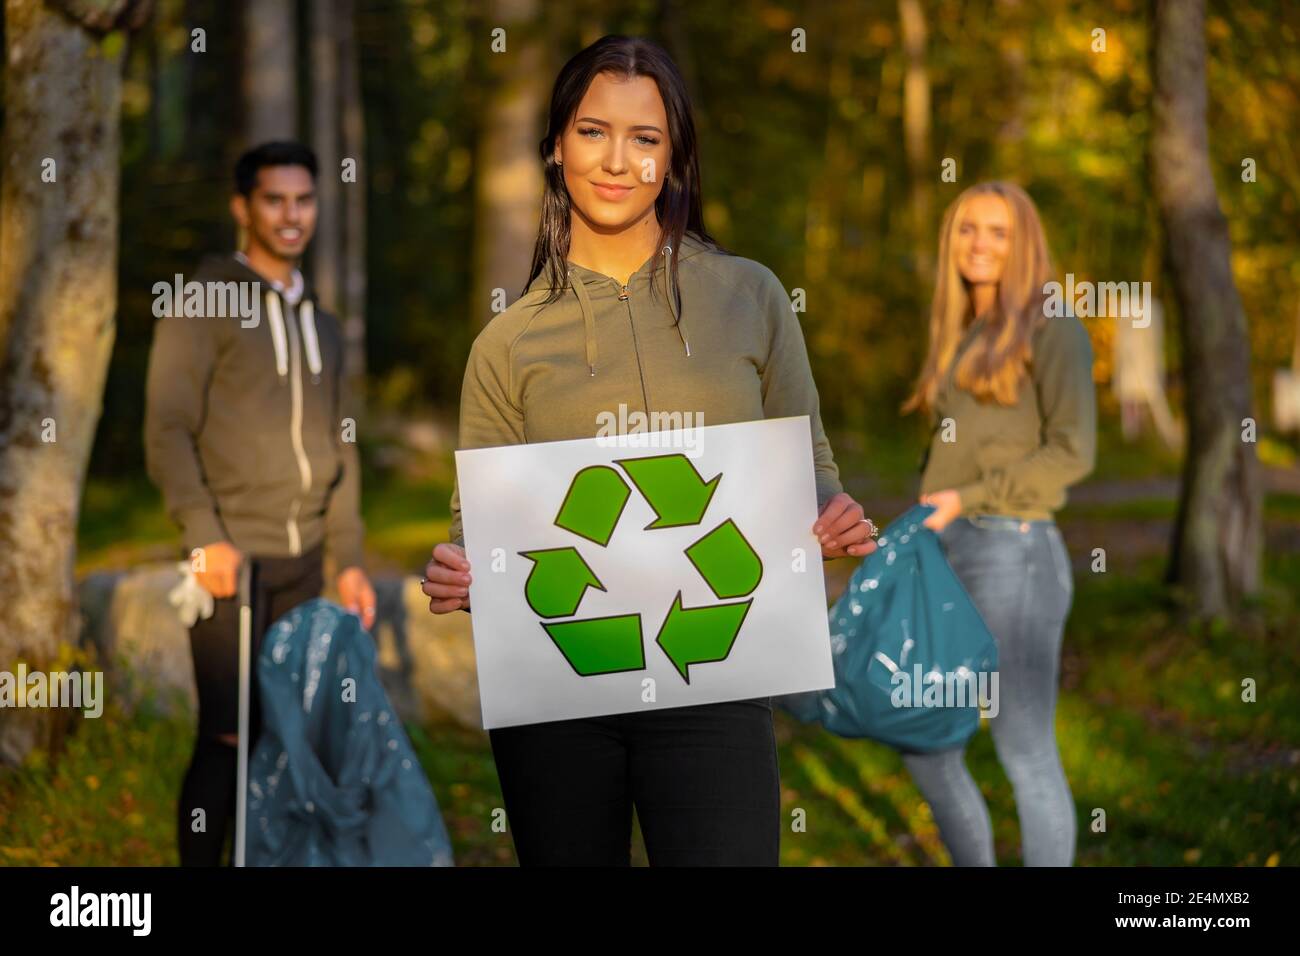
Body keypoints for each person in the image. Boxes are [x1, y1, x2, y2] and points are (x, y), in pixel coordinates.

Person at [421, 35, 876, 866]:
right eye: (593, 132)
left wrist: (833, 517)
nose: (616, 161)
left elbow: (809, 474)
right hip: (558, 688)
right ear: (557, 147)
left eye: (645, 138)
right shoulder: (507, 343)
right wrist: (456, 570)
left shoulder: (751, 298)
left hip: (717, 676)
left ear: (675, 157)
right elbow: (477, 536)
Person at [144, 141, 376, 866]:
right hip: (228, 561)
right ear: (243, 207)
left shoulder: (325, 325)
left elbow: (342, 449)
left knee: (293, 737)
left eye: (304, 200)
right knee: (231, 732)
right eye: (274, 200)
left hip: (304, 561)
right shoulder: (201, 303)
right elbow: (167, 428)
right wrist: (203, 534)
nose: (291, 215)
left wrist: (349, 560)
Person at [901, 180, 1096, 866]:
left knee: (1022, 745)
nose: (979, 244)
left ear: (1024, 245)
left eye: (998, 232)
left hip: (1015, 551)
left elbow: (1073, 451)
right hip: (946, 551)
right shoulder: (959, 333)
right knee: (926, 736)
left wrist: (971, 498)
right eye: (967, 229)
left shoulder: (1052, 324)